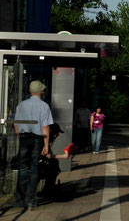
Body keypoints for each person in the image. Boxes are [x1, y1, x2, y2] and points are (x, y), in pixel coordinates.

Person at [14, 80, 53, 210]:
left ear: (30, 91)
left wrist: (20, 137)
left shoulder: (21, 105)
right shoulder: (44, 106)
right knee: (34, 168)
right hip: (37, 139)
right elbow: (45, 126)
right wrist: (46, 145)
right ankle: (30, 199)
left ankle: (20, 200)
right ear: (41, 92)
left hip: (24, 138)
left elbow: (16, 124)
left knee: (23, 168)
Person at [40, 123, 76, 197]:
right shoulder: (43, 140)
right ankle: (48, 190)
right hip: (35, 163)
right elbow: (45, 155)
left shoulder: (46, 140)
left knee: (54, 163)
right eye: (56, 133)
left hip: (38, 162)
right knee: (53, 165)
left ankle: (48, 189)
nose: (57, 135)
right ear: (51, 131)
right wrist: (64, 156)